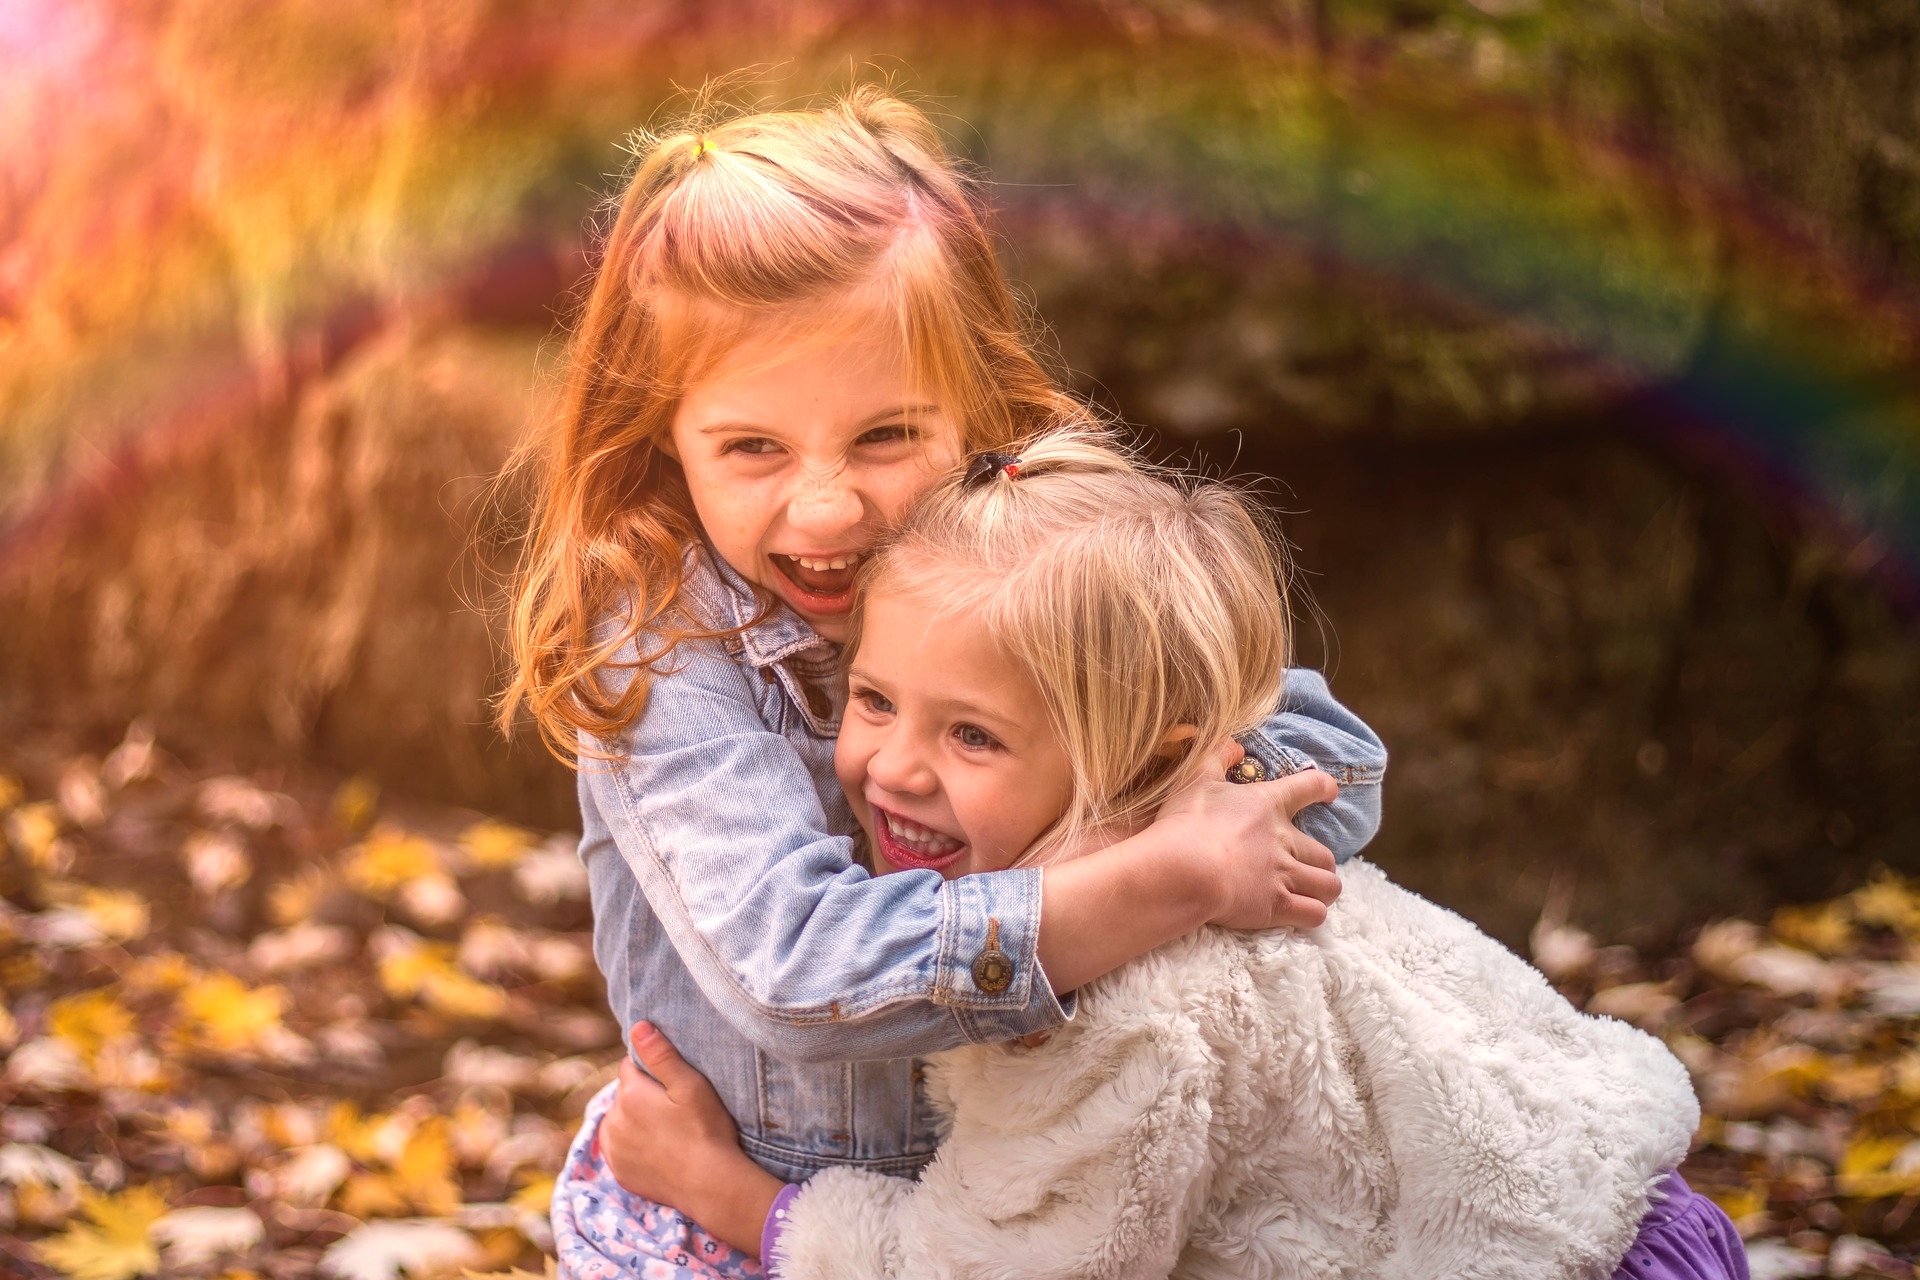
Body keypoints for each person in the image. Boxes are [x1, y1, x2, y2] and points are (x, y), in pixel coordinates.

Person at [498, 88, 1389, 1277]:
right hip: (738, 1212)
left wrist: (1142, 830)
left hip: (1020, 1199)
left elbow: (1333, 770)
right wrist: (1145, 879)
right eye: (752, 447)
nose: (827, 508)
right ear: (664, 430)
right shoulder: (662, 644)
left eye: (884, 438)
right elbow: (798, 970)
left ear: (977, 404)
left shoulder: (1032, 563)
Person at [604, 431, 1748, 1280]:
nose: (895, 767)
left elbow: (987, 1271)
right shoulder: (1227, 832)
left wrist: (736, 1196)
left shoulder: (1114, 1007)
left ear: (1146, 755)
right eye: (872, 697)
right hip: (1619, 1201)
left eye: (972, 734)